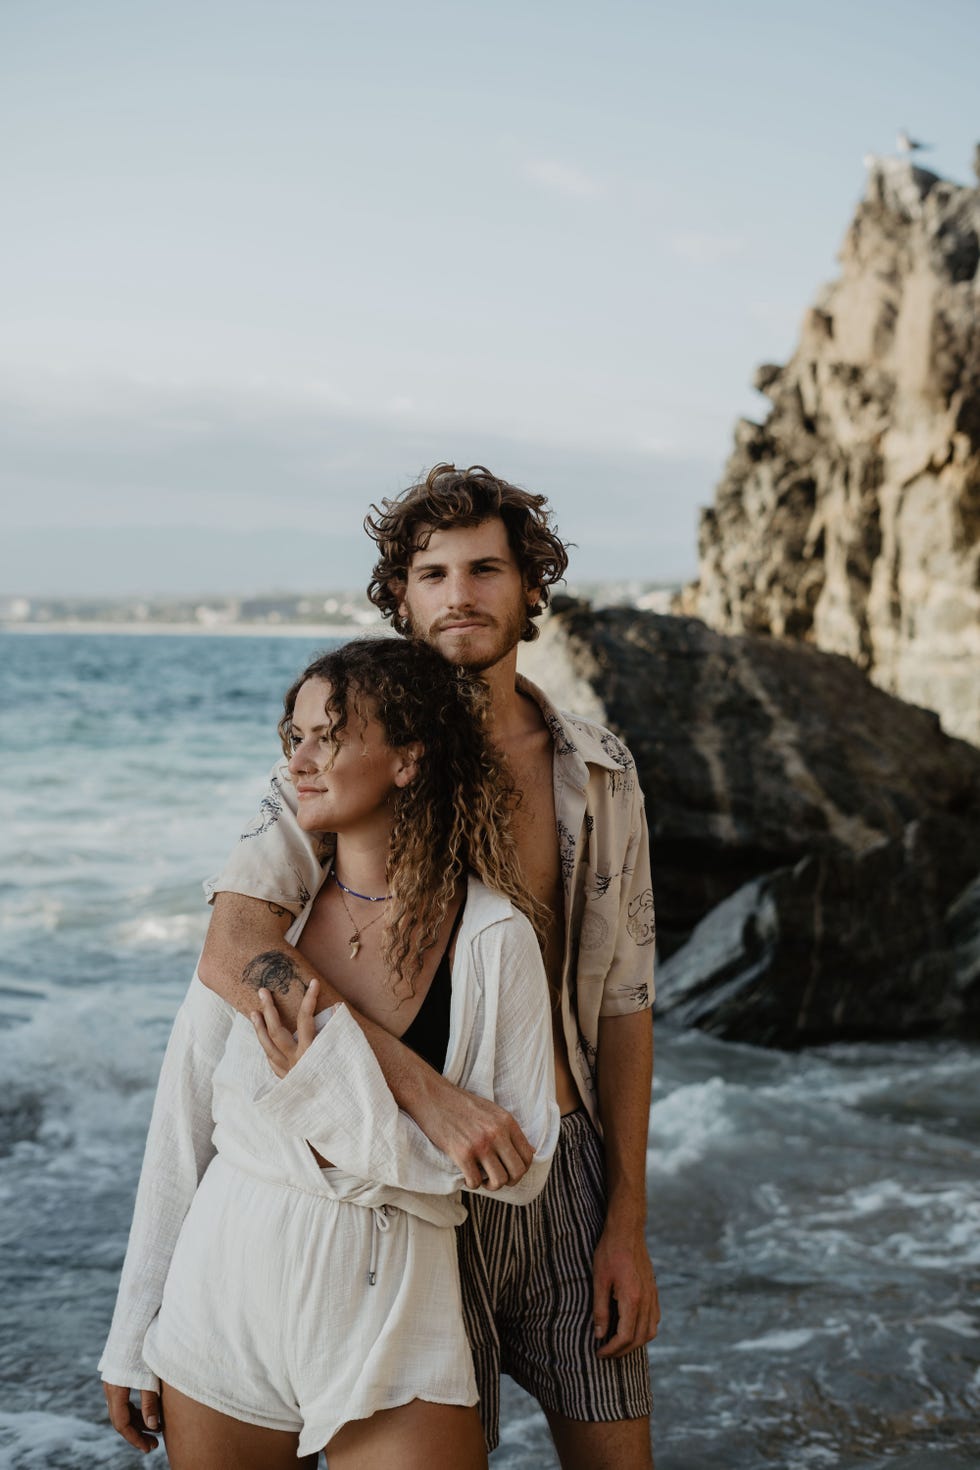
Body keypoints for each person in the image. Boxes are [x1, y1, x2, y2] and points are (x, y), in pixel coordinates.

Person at [199, 464, 660, 1469]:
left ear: (529, 588)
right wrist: (428, 1096)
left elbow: (624, 1003)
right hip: (415, 1177)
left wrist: (624, 1218)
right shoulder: (342, 757)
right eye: (432, 573)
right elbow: (236, 950)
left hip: (562, 1172)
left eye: (486, 568)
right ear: (399, 599)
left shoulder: (595, 768)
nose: (460, 594)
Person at [100, 637, 559, 1469]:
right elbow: (182, 1121)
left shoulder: (494, 940)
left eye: (331, 737)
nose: (300, 762)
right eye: (296, 736)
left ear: (409, 759)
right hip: (224, 1288)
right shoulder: (260, 934)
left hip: (393, 1308)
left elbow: (522, 1171)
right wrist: (133, 1335)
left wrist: (321, 1088)